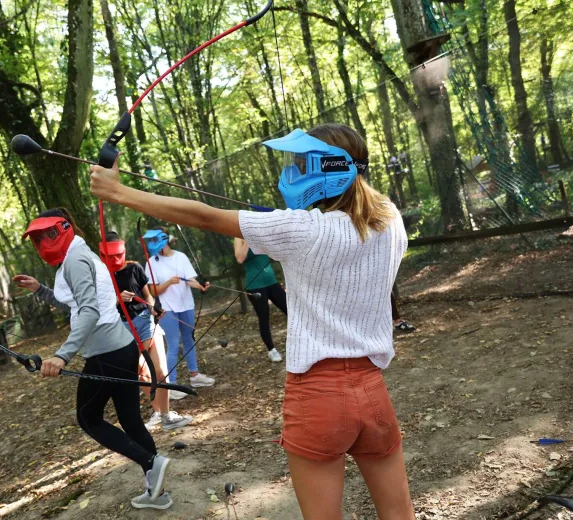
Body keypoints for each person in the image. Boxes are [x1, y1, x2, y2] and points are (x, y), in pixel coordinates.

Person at [90, 124, 415, 519]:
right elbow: (362, 205)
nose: (294, 171)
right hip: (372, 391)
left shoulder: (304, 229)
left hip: (318, 396)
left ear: (328, 168)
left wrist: (118, 192)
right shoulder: (391, 220)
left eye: (302, 162)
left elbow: (205, 217)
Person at [12, 208, 173, 510]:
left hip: (105, 353)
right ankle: (158, 492)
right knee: (130, 419)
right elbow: (77, 305)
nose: (42, 243)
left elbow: (89, 312)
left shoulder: (75, 259)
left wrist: (62, 356)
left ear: (63, 228)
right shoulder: (81, 255)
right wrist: (40, 290)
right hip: (122, 347)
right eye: (37, 239)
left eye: (47, 235)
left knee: (89, 418)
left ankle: (151, 461)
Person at [102, 230, 193, 430]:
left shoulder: (134, 268)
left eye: (119, 254)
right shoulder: (101, 276)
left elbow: (148, 295)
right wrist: (117, 300)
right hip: (122, 328)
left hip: (145, 321)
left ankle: (167, 415)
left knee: (160, 370)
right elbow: (99, 306)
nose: (116, 259)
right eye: (111, 256)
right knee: (142, 373)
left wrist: (153, 308)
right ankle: (159, 412)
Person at [140, 227, 215, 400]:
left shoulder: (180, 257)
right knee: (173, 344)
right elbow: (153, 291)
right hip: (167, 309)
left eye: (154, 240)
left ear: (164, 239)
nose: (151, 244)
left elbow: (190, 280)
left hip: (186, 305)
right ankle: (170, 384)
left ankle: (195, 376)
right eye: (149, 241)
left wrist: (201, 286)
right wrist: (168, 283)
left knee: (189, 339)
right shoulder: (151, 262)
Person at [233, 238, 287, 362]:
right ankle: (271, 350)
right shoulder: (238, 238)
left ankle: (301, 341)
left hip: (271, 281)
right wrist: (247, 238)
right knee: (264, 317)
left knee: (290, 310)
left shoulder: (259, 231)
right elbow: (240, 258)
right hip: (255, 285)